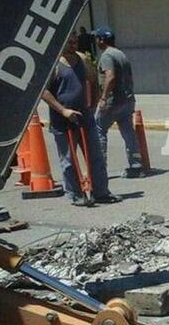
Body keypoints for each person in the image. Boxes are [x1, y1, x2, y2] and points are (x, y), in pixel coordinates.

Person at [41, 32, 122, 206]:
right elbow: (43, 91)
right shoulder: (53, 64)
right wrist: (63, 111)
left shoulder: (83, 59)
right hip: (63, 121)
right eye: (69, 42)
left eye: (75, 41)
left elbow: (93, 80)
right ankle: (75, 194)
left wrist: (93, 103)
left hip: (85, 118)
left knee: (95, 156)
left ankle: (100, 192)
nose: (73, 45)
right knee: (69, 160)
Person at [92, 27, 144, 178]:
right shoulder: (120, 54)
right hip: (127, 100)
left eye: (97, 38)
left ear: (102, 40)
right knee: (128, 133)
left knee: (99, 129)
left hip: (112, 102)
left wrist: (103, 97)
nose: (96, 41)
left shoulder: (107, 56)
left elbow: (111, 76)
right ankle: (136, 165)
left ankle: (100, 169)